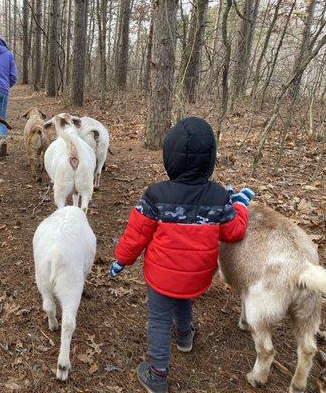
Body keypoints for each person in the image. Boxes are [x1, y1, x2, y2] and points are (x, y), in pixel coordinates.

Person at [108, 117, 254, 393]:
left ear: (169, 156)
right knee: (183, 298)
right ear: (210, 158)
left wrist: (121, 260)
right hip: (196, 275)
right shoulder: (218, 196)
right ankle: (185, 336)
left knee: (160, 321)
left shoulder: (155, 195)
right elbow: (233, 232)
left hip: (161, 275)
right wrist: (241, 206)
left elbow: (136, 234)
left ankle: (157, 376)